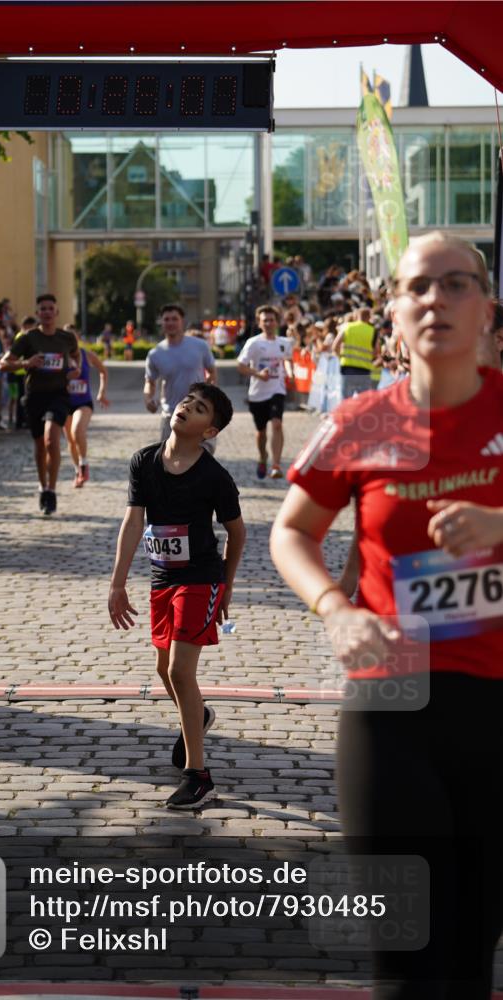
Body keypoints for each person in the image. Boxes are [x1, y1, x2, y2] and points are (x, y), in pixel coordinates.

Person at [270, 232, 503, 998]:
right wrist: (334, 607)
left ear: (486, 309)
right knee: (403, 961)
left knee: (469, 957)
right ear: (392, 315)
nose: (435, 299)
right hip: (390, 702)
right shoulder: (363, 420)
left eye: (456, 284)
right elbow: (291, 532)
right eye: (416, 287)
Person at [108, 383, 246, 809]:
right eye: (187, 400)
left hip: (201, 578)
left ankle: (198, 776)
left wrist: (226, 585)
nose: (187, 407)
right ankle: (198, 717)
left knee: (182, 671)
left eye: (199, 408)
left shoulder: (214, 476)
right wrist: (117, 583)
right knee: (165, 670)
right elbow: (133, 523)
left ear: (209, 431)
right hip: (162, 578)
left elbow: (237, 533)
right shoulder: (144, 461)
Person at [0, 294, 79, 515]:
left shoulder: (67, 337)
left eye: (50, 308)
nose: (46, 312)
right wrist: (26, 362)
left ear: (57, 312)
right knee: (39, 446)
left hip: (59, 395)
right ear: (37, 313)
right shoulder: (27, 338)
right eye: (42, 309)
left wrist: (76, 369)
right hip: (35, 396)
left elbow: (76, 355)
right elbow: (3, 365)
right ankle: (43, 486)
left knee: (51, 439)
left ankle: (52, 491)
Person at [144, 303, 217, 445]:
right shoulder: (155, 353)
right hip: (172, 415)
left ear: (182, 321)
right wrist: (148, 399)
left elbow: (212, 371)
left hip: (198, 413)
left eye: (174, 319)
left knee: (202, 460)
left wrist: (208, 395)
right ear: (161, 322)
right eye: (166, 319)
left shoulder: (200, 346)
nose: (170, 322)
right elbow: (150, 382)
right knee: (170, 462)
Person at [237, 304, 293, 480]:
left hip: (277, 389)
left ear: (277, 322)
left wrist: (290, 374)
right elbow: (241, 365)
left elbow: (288, 361)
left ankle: (276, 465)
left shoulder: (284, 343)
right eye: (265, 320)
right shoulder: (253, 343)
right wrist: (257, 374)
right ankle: (263, 457)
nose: (268, 323)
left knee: (277, 424)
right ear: (259, 323)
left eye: (271, 320)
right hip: (257, 393)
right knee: (261, 432)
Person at [64, 330, 110, 488]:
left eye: (73, 340)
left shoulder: (87, 355)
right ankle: (77, 471)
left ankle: (84, 464)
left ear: (77, 339)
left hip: (83, 402)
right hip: (64, 403)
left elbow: (103, 371)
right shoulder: (61, 357)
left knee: (77, 431)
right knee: (70, 440)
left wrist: (101, 392)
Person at [332, 306, 379, 398]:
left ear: (356, 316)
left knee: (346, 401)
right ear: (369, 317)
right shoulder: (373, 331)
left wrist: (341, 357)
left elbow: (335, 346)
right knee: (363, 402)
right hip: (364, 370)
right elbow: (377, 352)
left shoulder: (347, 327)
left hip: (347, 368)